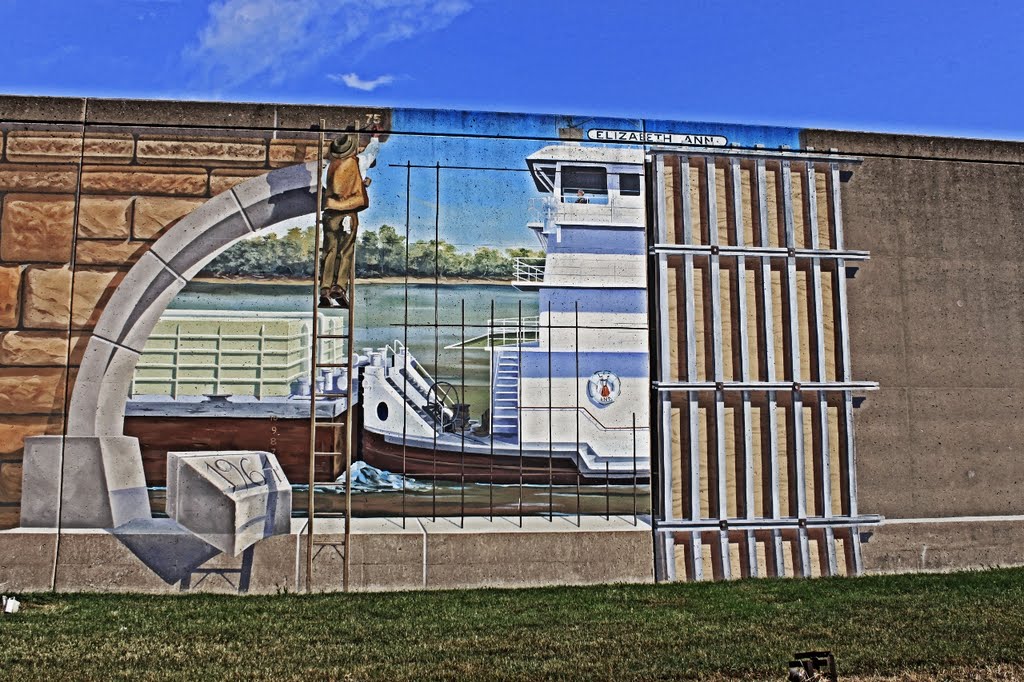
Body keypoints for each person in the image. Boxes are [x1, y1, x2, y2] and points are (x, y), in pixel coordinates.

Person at [319, 130, 381, 308]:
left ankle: (324, 289)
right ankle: (339, 287)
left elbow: (327, 186)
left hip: (331, 212)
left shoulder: (329, 167)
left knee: (329, 251)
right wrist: (374, 138)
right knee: (345, 251)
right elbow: (371, 153)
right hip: (349, 212)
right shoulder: (358, 161)